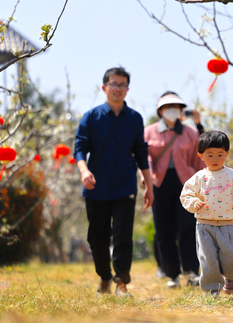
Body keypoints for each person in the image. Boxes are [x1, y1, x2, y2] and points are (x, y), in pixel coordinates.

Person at [74, 67, 154, 297]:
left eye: (122, 85)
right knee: (97, 238)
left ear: (127, 89)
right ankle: (104, 277)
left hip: (125, 186)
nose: (117, 88)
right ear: (104, 87)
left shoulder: (135, 119)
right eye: (113, 84)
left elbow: (141, 153)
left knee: (122, 236)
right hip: (95, 186)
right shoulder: (92, 117)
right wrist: (84, 171)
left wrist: (149, 185)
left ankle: (121, 282)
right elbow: (80, 148)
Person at [144, 91, 203, 288]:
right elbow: (145, 160)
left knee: (188, 227)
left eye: (176, 108)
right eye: (167, 108)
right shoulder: (149, 132)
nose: (171, 111)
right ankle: (172, 275)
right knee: (163, 229)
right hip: (159, 184)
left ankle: (193, 271)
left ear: (180, 111)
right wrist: (146, 181)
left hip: (186, 184)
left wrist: (202, 185)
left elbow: (198, 161)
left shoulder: (190, 133)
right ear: (160, 111)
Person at [180, 131, 233, 296]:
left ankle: (231, 276)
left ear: (226, 154)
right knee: (208, 260)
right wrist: (194, 203)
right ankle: (212, 289)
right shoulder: (199, 177)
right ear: (200, 156)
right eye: (210, 155)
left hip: (230, 224)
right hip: (205, 225)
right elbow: (186, 194)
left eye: (220, 154)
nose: (215, 159)